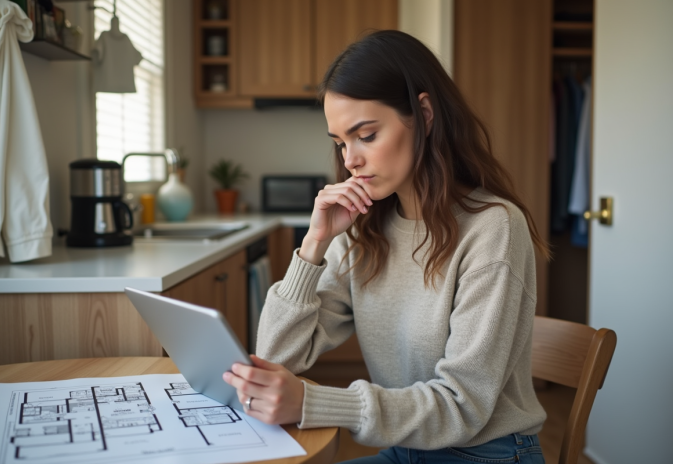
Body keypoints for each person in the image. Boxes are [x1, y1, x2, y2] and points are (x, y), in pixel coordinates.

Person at [222, 30, 549, 463]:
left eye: (366, 135)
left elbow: (464, 405)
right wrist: (314, 244)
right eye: (340, 143)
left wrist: (313, 404)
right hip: (406, 448)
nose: (349, 160)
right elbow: (278, 357)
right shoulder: (362, 231)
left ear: (425, 114)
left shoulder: (493, 229)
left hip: (486, 453)